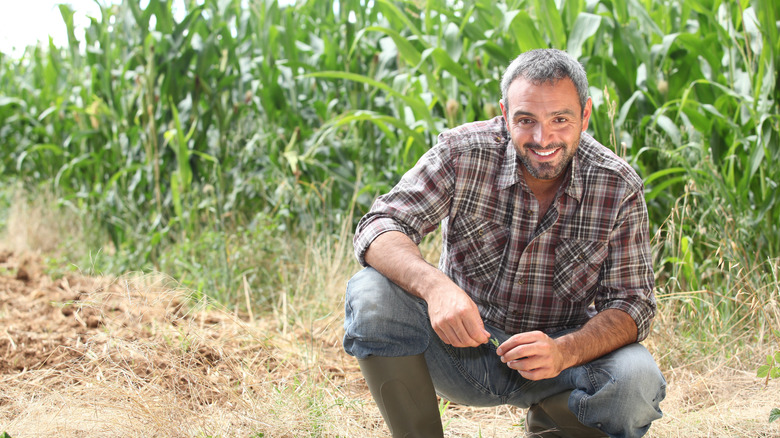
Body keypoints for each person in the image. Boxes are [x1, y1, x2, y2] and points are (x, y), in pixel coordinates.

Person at [343, 48, 666, 438]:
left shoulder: (617, 185)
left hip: (560, 362)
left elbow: (633, 302)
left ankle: (553, 420)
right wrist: (436, 288)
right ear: (504, 113)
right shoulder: (462, 152)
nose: (542, 138)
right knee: (370, 291)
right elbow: (381, 224)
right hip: (460, 347)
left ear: (585, 115)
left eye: (560, 119)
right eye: (525, 120)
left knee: (638, 382)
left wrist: (564, 351)